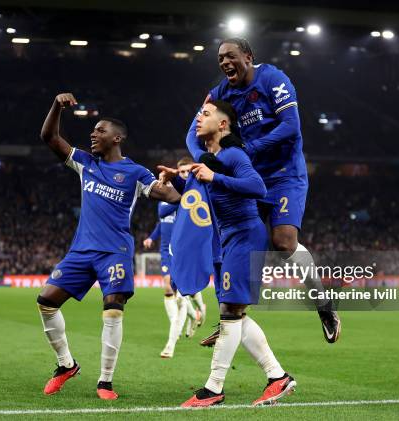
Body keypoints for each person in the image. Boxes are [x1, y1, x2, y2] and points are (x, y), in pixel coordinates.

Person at [186, 38, 340, 345]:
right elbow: (193, 131)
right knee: (234, 241)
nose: (224, 62)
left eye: (231, 56)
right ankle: (229, 315)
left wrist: (249, 148)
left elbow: (291, 126)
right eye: (220, 58)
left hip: (284, 174)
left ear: (248, 56)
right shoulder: (219, 94)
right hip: (249, 176)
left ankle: (324, 305)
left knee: (283, 242)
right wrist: (205, 158)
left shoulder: (273, 79)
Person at [37, 92, 180, 400]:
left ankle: (105, 381)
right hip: (81, 250)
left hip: (115, 250)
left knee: (112, 309)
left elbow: (170, 197)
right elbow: (49, 136)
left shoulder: (135, 172)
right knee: (46, 301)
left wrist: (177, 181)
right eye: (93, 130)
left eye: (100, 130)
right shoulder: (84, 163)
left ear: (117, 138)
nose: (93, 134)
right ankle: (66, 365)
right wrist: (56, 106)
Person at [161, 100, 296, 407]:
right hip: (228, 239)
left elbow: (257, 187)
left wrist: (214, 177)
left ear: (223, 124)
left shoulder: (234, 154)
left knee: (229, 315)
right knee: (235, 314)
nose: (199, 119)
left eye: (205, 114)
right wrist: (178, 178)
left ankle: (213, 388)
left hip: (246, 236)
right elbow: (205, 189)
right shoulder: (212, 157)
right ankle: (277, 377)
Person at [143, 158, 206, 358]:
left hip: (187, 251)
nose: (184, 175)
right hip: (167, 249)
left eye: (187, 172)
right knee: (173, 293)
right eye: (181, 172)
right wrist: (151, 238)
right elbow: (162, 216)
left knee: (183, 294)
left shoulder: (195, 193)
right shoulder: (171, 192)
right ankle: (172, 341)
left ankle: (198, 310)